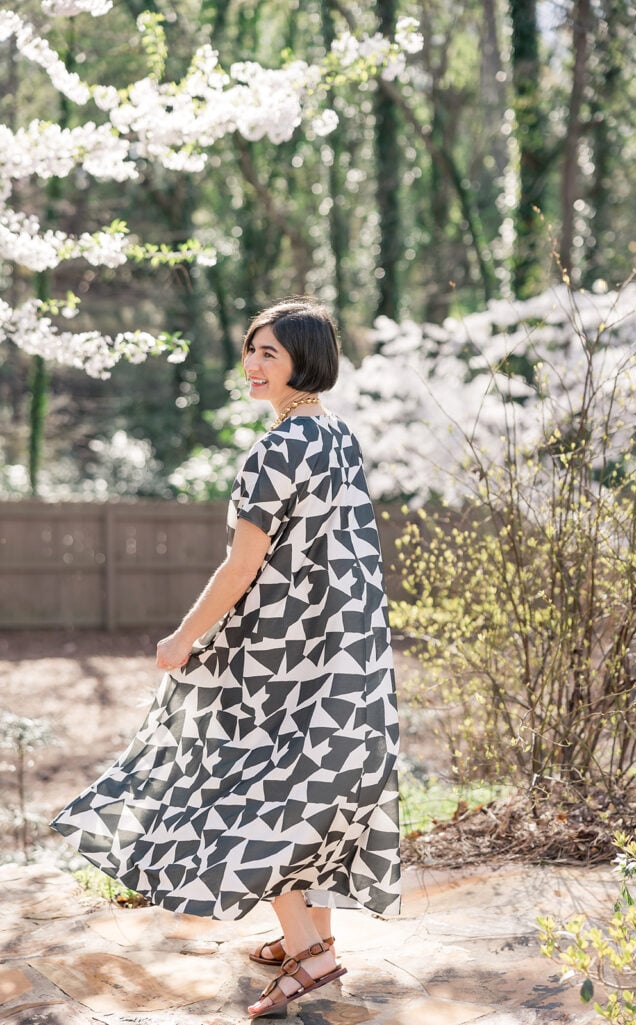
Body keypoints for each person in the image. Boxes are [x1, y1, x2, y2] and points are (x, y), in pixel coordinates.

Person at [51, 297, 401, 1019]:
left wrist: (183, 636)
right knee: (309, 791)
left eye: (269, 352)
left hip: (283, 660)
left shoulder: (275, 449)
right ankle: (303, 930)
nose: (252, 364)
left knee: (253, 788)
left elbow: (242, 564)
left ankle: (312, 956)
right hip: (345, 653)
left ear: (305, 360)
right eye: (251, 349)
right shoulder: (336, 438)